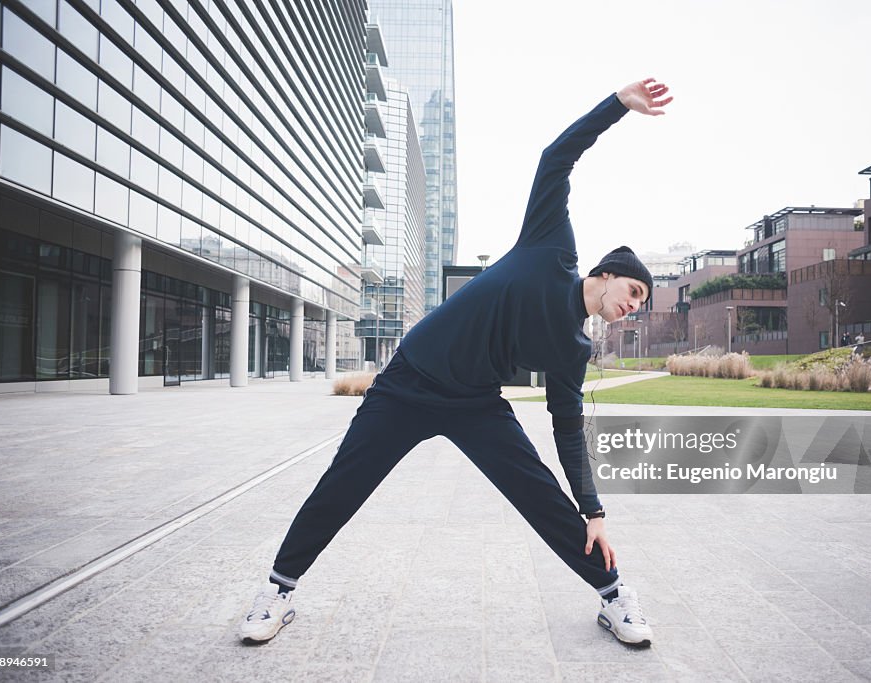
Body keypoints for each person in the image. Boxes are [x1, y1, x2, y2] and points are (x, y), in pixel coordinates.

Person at [240, 77, 673, 648]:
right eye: (635, 292)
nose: (631, 307)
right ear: (607, 273)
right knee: (343, 484)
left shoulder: (573, 350)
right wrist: (617, 105)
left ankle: (614, 596)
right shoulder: (551, 247)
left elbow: (569, 431)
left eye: (640, 305)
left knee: (539, 493)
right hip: (408, 383)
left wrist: (592, 509)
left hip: (474, 404)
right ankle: (277, 590)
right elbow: (557, 158)